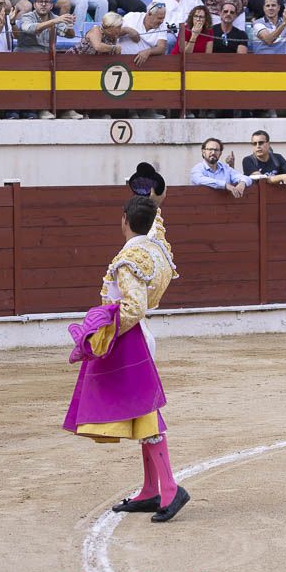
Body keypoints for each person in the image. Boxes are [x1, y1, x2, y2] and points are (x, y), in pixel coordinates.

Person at [63, 184, 189, 523]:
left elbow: (133, 306)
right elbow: (157, 226)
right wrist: (155, 204)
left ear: (123, 221)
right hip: (141, 338)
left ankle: (170, 487)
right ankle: (151, 489)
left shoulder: (127, 261)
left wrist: (103, 331)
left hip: (129, 340)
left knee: (146, 416)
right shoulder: (156, 247)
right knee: (139, 413)